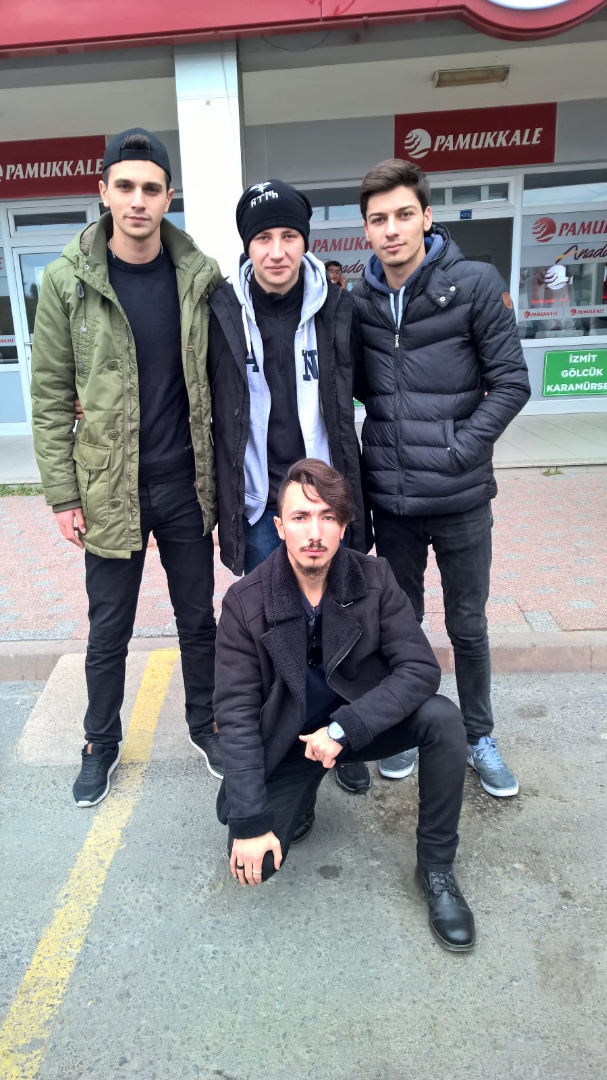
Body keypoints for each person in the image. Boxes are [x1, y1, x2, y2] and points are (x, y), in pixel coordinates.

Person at [30, 129, 224, 807]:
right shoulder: (67, 282)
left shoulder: (199, 277)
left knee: (198, 620)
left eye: (150, 188)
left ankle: (207, 724)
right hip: (109, 489)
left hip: (185, 484)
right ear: (104, 192)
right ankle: (99, 742)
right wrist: (63, 495)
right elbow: (49, 395)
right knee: (108, 629)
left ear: (169, 197)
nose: (138, 200)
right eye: (125, 187)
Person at [214, 459, 475, 952]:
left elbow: (420, 669)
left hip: (353, 728)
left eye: (328, 517)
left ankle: (437, 869)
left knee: (443, 718)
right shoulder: (244, 603)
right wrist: (249, 822)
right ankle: (303, 793)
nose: (314, 532)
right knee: (258, 861)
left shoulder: (374, 578)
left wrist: (342, 729)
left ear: (344, 526)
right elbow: (236, 715)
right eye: (301, 517)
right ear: (279, 527)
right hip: (289, 743)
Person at [352, 158, 531, 797]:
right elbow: (347, 387)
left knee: (468, 626)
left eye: (404, 214)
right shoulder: (357, 302)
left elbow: (511, 383)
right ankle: (403, 727)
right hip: (393, 500)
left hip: (460, 497)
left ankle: (479, 735)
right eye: (379, 219)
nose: (392, 229)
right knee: (399, 628)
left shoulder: (475, 284)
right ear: (366, 230)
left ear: (426, 217)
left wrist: (461, 450)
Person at [207, 178, 373, 797]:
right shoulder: (221, 310)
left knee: (340, 621)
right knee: (271, 629)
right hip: (258, 502)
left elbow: (365, 390)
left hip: (324, 498)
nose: (276, 251)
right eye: (263, 238)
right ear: (247, 245)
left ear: (305, 241)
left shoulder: (338, 307)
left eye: (288, 236)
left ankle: (345, 733)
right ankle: (278, 739)